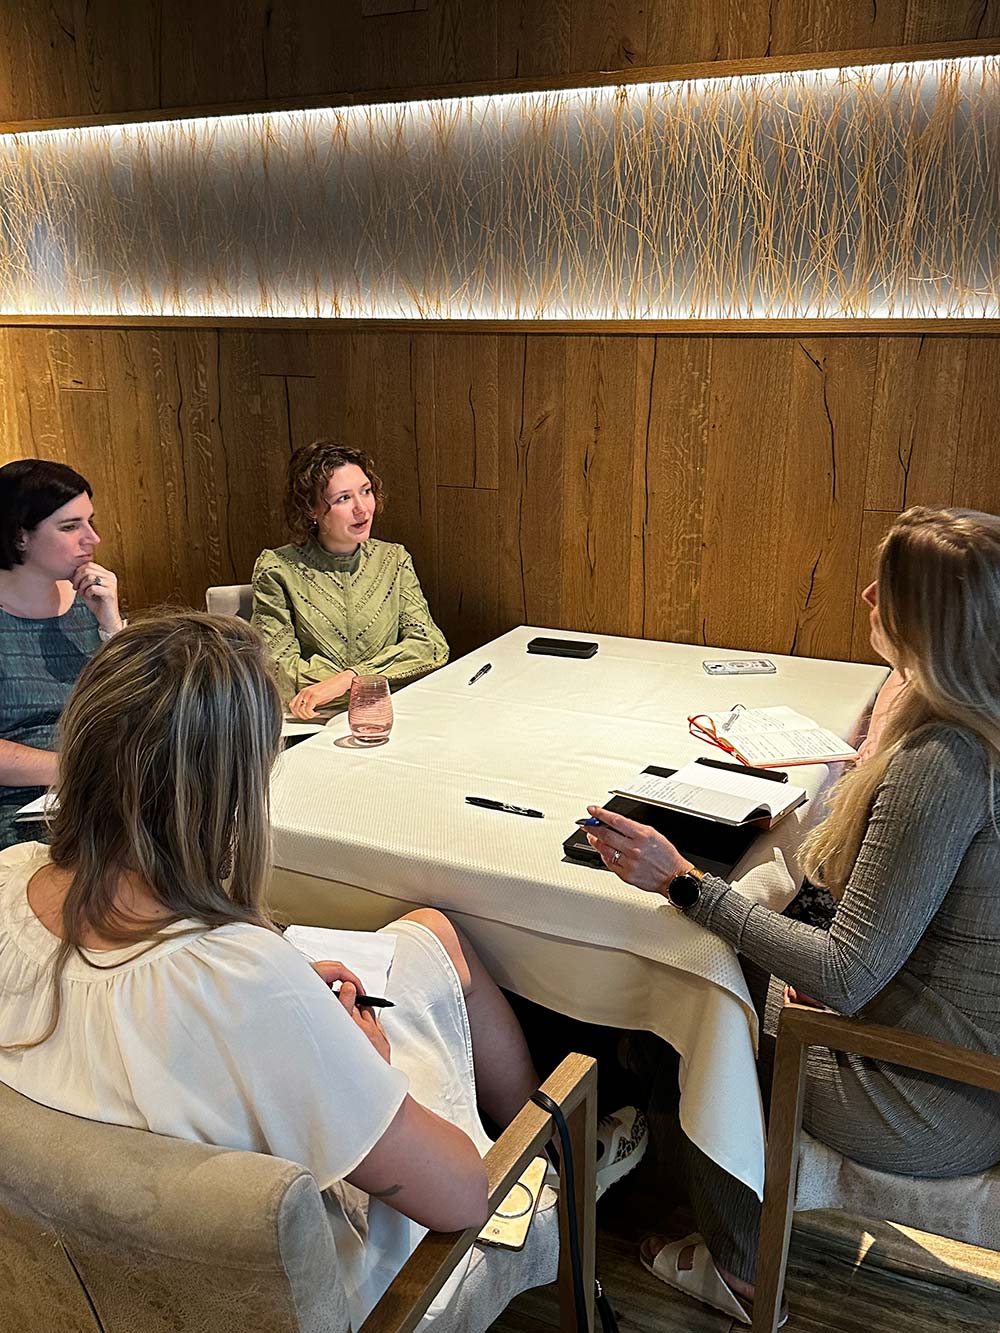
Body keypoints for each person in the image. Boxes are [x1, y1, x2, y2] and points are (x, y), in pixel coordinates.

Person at [0, 612, 644, 1327]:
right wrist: (370, 1060)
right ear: (230, 794)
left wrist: (289, 999)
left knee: (432, 932)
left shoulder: (10, 879)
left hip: (81, 1283)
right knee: (443, 1028)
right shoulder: (245, 980)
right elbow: (461, 1197)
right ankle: (556, 1159)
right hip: (334, 1294)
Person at [584, 506, 1000, 1326]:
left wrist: (682, 881)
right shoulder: (969, 720)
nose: (867, 595)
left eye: (890, 588)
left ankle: (739, 1264)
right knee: (741, 947)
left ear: (937, 623)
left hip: (930, 1097)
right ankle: (651, 1131)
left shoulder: (944, 762)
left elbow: (845, 974)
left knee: (700, 990)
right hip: (949, 1051)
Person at [252, 441, 448, 719]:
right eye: (343, 498)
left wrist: (348, 680)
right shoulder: (278, 569)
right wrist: (384, 676)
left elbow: (431, 646)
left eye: (366, 491)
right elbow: (277, 669)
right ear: (311, 508)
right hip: (315, 721)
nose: (362, 508)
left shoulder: (393, 559)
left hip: (391, 713)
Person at [0, 459, 124, 850]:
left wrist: (111, 622)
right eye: (71, 527)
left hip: (105, 785)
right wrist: (74, 769)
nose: (93, 538)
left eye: (90, 522)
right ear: (20, 535)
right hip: (19, 805)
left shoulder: (90, 599)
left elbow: (138, 702)